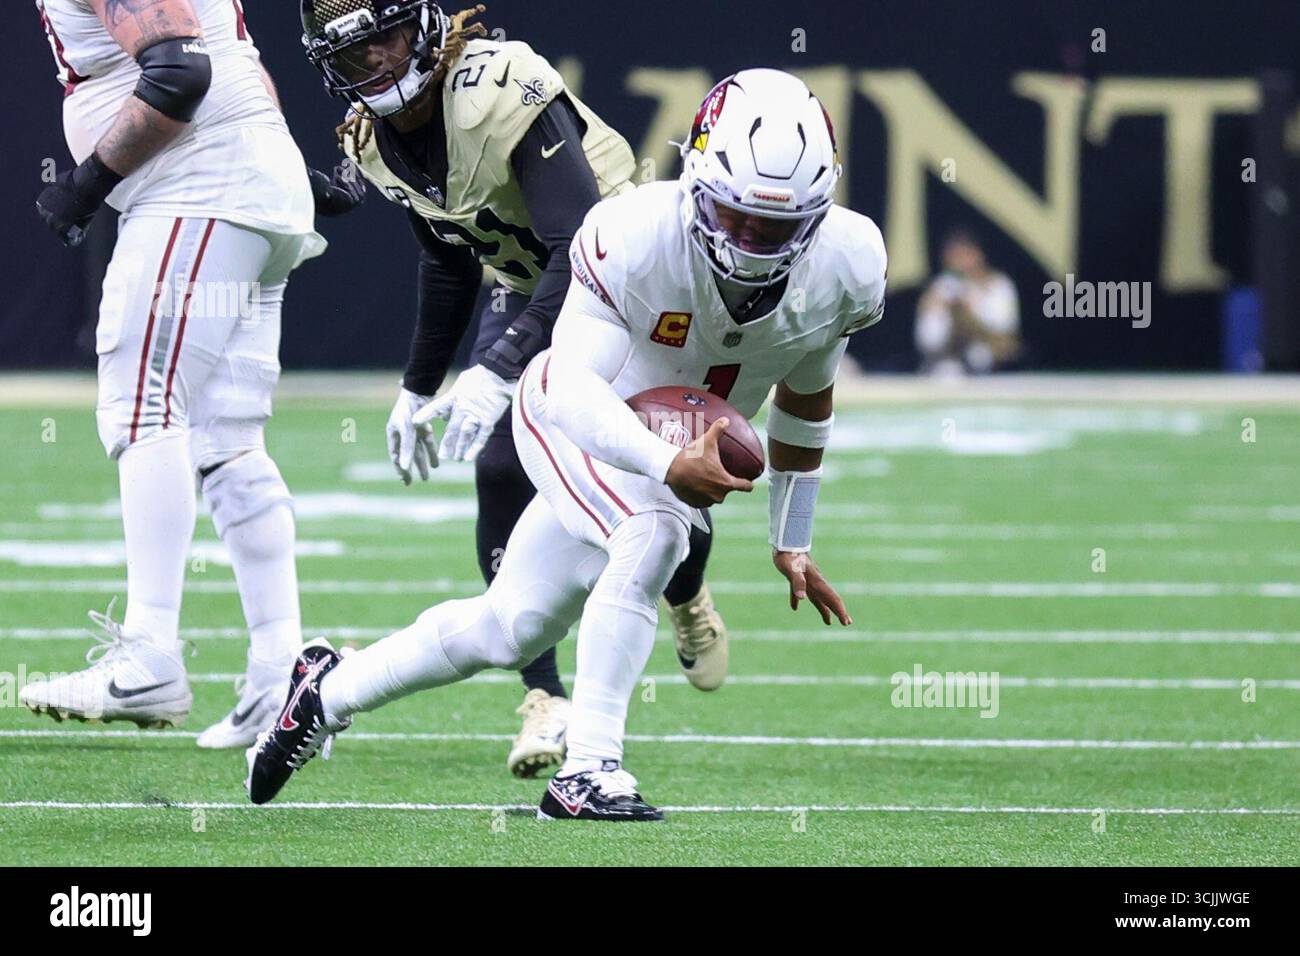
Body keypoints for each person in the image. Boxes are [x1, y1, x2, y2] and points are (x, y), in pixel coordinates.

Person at [246, 68, 884, 820]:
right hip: (570, 413)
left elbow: (807, 399)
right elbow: (571, 386)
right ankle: (588, 772)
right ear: (696, 181)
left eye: (773, 227)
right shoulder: (632, 234)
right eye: (736, 216)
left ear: (817, 212)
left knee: (508, 629)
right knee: (655, 530)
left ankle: (323, 691)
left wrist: (793, 538)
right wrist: (665, 464)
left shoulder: (848, 263)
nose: (749, 242)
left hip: (656, 453)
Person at [297, 0, 725, 777]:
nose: (377, 68)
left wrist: (497, 368)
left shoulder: (501, 84)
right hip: (529, 285)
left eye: (387, 43)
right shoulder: (375, 142)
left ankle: (687, 595)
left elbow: (580, 244)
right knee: (499, 468)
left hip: (631, 285)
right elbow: (449, 257)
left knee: (666, 494)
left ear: (425, 28)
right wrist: (419, 384)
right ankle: (545, 693)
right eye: (357, 58)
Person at [20, 0, 351, 748]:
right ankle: (280, 681)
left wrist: (86, 182)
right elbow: (231, 58)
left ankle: (148, 656)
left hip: (200, 187)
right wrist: (293, 165)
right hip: (243, 185)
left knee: (142, 404)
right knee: (226, 438)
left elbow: (179, 71)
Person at [915, 229, 1020, 376]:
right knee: (948, 370)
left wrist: (970, 318)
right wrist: (951, 315)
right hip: (946, 368)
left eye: (964, 254)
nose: (960, 262)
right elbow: (928, 341)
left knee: (978, 356)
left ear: (978, 254)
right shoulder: (942, 287)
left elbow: (1007, 342)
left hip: (993, 369)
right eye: (954, 255)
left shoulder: (999, 285)